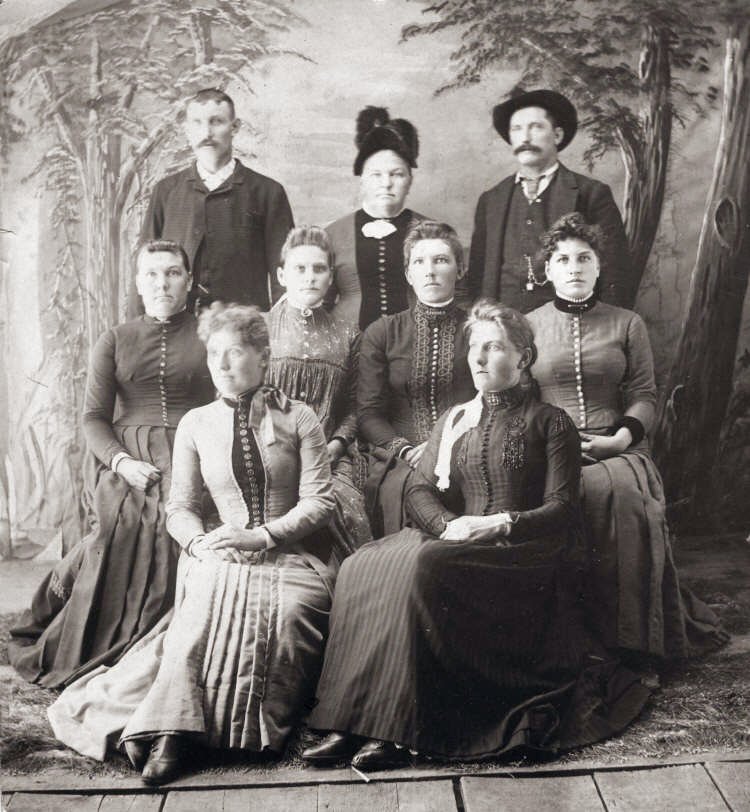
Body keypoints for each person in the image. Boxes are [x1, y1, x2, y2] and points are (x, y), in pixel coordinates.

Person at [302, 300, 650, 771]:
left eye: (495, 347)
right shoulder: (455, 419)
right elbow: (419, 488)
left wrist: (501, 523)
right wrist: (447, 526)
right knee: (362, 563)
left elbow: (561, 508)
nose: (480, 358)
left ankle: (394, 731)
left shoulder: (551, 422)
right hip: (458, 537)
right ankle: (350, 721)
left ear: (524, 358)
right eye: (474, 348)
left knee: (422, 566)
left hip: (521, 554)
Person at [47, 304, 337, 786]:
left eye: (235, 352)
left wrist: (263, 535)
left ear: (264, 358)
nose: (221, 364)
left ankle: (246, 736)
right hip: (217, 549)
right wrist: (198, 543)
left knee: (288, 614)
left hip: (291, 554)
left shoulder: (300, 417)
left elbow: (320, 501)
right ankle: (171, 733)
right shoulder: (196, 424)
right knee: (202, 610)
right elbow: (179, 507)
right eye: (213, 354)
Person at [9, 240, 215, 688]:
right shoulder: (115, 339)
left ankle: (168, 646)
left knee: (181, 527)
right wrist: (122, 463)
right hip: (129, 457)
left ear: (189, 280)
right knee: (123, 526)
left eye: (173, 273)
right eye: (152, 274)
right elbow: (93, 418)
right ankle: (103, 639)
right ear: (139, 283)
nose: (162, 283)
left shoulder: (209, 334)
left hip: (196, 449)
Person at [527, 213, 728, 660]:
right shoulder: (528, 325)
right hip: (551, 447)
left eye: (584, 258)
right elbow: (525, 400)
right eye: (563, 259)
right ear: (547, 271)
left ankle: (632, 640)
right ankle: (567, 641)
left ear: (599, 267)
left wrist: (619, 440)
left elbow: (644, 395)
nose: (574, 268)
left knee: (626, 500)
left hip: (618, 444)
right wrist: (553, 443)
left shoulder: (627, 323)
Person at [128, 88, 293, 316]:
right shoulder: (166, 192)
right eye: (197, 123)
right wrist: (137, 328)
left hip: (242, 329)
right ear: (187, 130)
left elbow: (285, 276)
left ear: (234, 127)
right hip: (179, 327)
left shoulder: (268, 192)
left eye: (216, 122)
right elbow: (144, 267)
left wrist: (283, 330)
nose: (206, 132)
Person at [357, 220, 475, 536]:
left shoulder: (478, 329)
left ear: (460, 270)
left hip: (469, 451)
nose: (430, 271)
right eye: (419, 262)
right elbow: (369, 413)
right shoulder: (382, 332)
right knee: (405, 491)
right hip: (403, 458)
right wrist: (407, 450)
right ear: (409, 274)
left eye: (441, 260)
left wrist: (446, 447)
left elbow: (492, 401)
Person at [467, 89, 633, 313]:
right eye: (517, 129)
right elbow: (477, 276)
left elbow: (615, 273)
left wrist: (600, 325)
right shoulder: (492, 200)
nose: (525, 138)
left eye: (535, 127)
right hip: (502, 324)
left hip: (570, 322)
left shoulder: (591, 194)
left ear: (557, 135)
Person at [267, 225, 371, 553]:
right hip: (266, 452)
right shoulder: (259, 327)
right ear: (282, 275)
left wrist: (337, 445)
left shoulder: (348, 335)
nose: (310, 277)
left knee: (345, 511)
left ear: (330, 278)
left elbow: (355, 406)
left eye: (319, 269)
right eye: (300, 268)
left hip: (328, 457)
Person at [325, 106, 431, 330]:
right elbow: (319, 303)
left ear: (410, 180)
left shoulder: (432, 231)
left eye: (397, 174)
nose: (386, 183)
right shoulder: (332, 235)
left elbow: (456, 298)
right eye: (376, 175)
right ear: (362, 180)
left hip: (414, 342)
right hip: (348, 343)